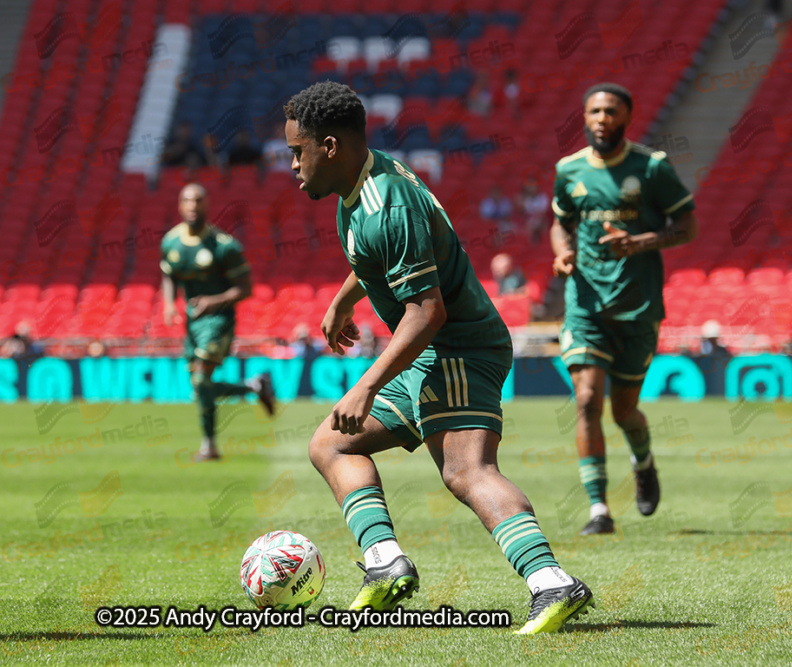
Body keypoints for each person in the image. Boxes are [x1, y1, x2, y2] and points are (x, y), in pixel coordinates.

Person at [283, 81, 593, 633]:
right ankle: (385, 564)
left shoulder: (385, 204)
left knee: (466, 470)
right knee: (331, 442)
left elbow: (427, 312)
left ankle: (552, 583)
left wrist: (367, 385)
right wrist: (342, 300)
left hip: (459, 348)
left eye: (296, 151)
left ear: (329, 146)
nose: (291, 164)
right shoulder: (362, 189)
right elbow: (380, 256)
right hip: (433, 355)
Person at [551, 82, 698, 536]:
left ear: (626, 117)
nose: (601, 119)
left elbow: (687, 225)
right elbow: (561, 222)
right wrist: (562, 254)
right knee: (588, 400)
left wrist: (640, 242)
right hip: (586, 306)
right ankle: (599, 509)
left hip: (637, 307)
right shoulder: (568, 169)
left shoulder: (651, 168)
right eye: (594, 110)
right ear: (584, 116)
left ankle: (644, 461)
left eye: (610, 111)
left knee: (624, 411)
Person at [160, 183, 277, 461]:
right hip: (192, 324)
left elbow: (245, 288)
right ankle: (253, 387)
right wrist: (168, 303)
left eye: (198, 200)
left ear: (207, 204)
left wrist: (212, 301)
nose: (192, 205)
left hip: (218, 321)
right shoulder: (170, 242)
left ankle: (208, 447)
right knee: (201, 386)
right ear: (179, 205)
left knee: (201, 380)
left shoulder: (225, 246)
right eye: (187, 200)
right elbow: (168, 274)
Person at [517, 177, 550, 243]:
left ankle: (537, 239)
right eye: (529, 186)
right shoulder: (524, 198)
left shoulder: (543, 197)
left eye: (533, 186)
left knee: (537, 221)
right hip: (527, 221)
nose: (531, 188)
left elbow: (542, 213)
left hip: (541, 221)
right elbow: (521, 211)